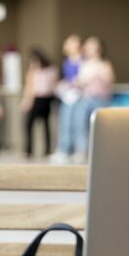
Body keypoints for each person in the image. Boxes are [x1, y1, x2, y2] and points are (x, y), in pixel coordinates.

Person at [73, 36, 115, 162]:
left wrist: (98, 76)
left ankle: (102, 152)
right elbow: (80, 81)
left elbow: (110, 80)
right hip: (86, 98)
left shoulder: (104, 64)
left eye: (92, 46)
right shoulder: (84, 64)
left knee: (102, 128)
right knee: (81, 126)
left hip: (100, 99)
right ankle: (82, 151)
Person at [50, 35, 82, 163]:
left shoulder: (83, 61)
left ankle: (78, 150)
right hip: (67, 96)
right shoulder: (66, 61)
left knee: (78, 125)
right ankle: (63, 150)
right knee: (65, 124)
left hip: (79, 97)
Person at [20, 48, 58, 157]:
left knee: (36, 125)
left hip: (41, 99)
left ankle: (36, 150)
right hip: (42, 99)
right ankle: (38, 149)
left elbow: (30, 88)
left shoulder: (43, 70)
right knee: (40, 126)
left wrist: (27, 101)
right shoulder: (48, 70)